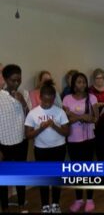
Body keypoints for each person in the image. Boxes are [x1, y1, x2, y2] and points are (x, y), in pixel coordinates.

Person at [25, 79, 70, 213]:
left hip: (59, 148)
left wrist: (54, 126)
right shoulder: (33, 113)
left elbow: (67, 132)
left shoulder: (59, 112)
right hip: (41, 150)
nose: (47, 103)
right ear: (40, 98)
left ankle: (55, 204)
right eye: (45, 100)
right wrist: (41, 128)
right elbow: (28, 135)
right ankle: (45, 205)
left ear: (54, 98)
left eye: (50, 101)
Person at [63, 72, 99, 213]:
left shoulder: (92, 98)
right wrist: (83, 117)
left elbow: (95, 118)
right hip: (72, 140)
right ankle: (78, 199)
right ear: (73, 84)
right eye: (79, 82)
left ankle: (89, 199)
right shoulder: (66, 99)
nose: (82, 85)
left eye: (84, 82)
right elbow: (67, 119)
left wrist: (76, 117)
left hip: (89, 139)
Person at [0, 64, 29, 213]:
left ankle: (22, 203)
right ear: (5, 79)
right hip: (3, 143)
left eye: (19, 79)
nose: (16, 83)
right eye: (13, 80)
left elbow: (30, 116)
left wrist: (23, 102)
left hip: (21, 141)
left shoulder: (24, 93)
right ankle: (4, 206)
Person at [89, 68, 104, 161]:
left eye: (101, 78)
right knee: (98, 145)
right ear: (94, 79)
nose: (99, 80)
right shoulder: (90, 90)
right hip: (96, 121)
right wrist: (103, 104)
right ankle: (99, 164)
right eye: (97, 78)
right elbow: (90, 104)